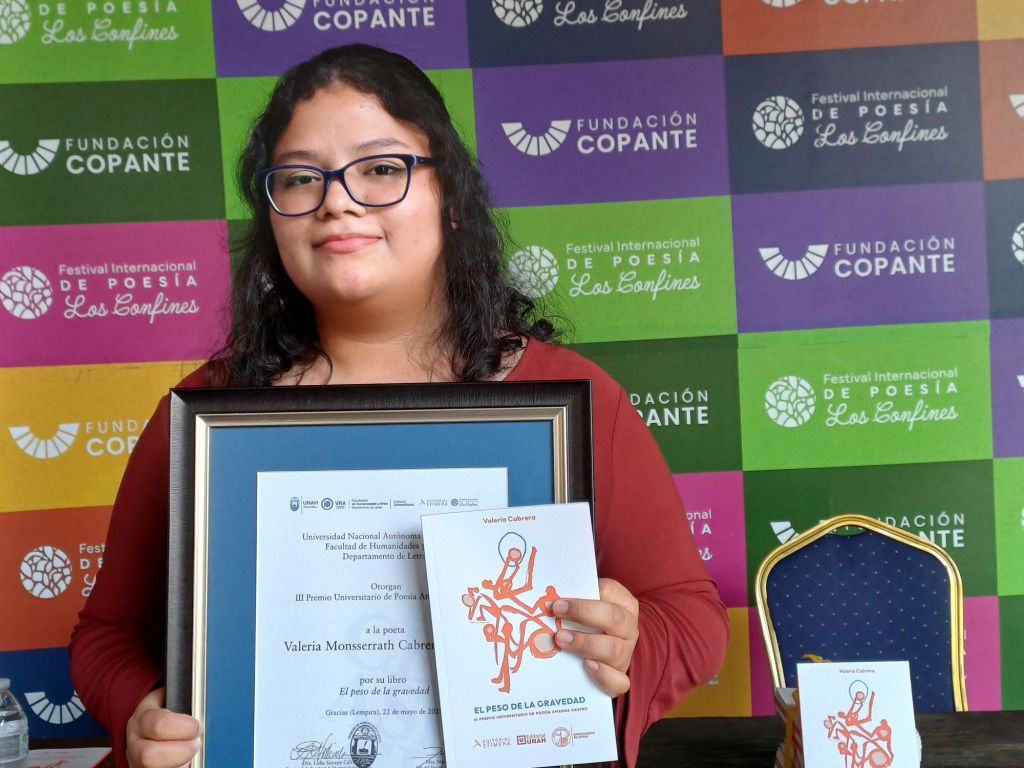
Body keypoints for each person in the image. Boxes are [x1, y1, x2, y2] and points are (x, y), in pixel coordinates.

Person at [69, 44, 728, 768]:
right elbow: (107, 637)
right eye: (300, 178)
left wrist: (628, 641)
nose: (337, 201)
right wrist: (142, 711)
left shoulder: (573, 400)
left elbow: (692, 621)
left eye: (381, 168)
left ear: (451, 198)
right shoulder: (207, 417)